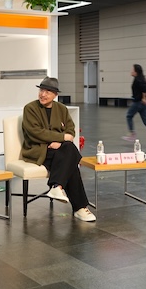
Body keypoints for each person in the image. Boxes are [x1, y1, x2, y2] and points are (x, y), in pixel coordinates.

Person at [20, 77, 96, 222]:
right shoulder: (30, 108)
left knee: (68, 151)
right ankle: (79, 207)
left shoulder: (61, 109)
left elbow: (70, 130)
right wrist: (61, 138)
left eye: (47, 92)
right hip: (38, 149)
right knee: (71, 155)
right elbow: (36, 133)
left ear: (55, 95)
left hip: (58, 150)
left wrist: (59, 143)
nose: (43, 94)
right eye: (41, 90)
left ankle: (57, 187)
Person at [122, 64, 146, 142]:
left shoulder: (138, 80)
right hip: (142, 103)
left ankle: (132, 134)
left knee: (129, 116)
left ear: (136, 72)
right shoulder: (139, 79)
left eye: (132, 70)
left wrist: (144, 98)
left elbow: (144, 88)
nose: (131, 71)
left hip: (138, 102)